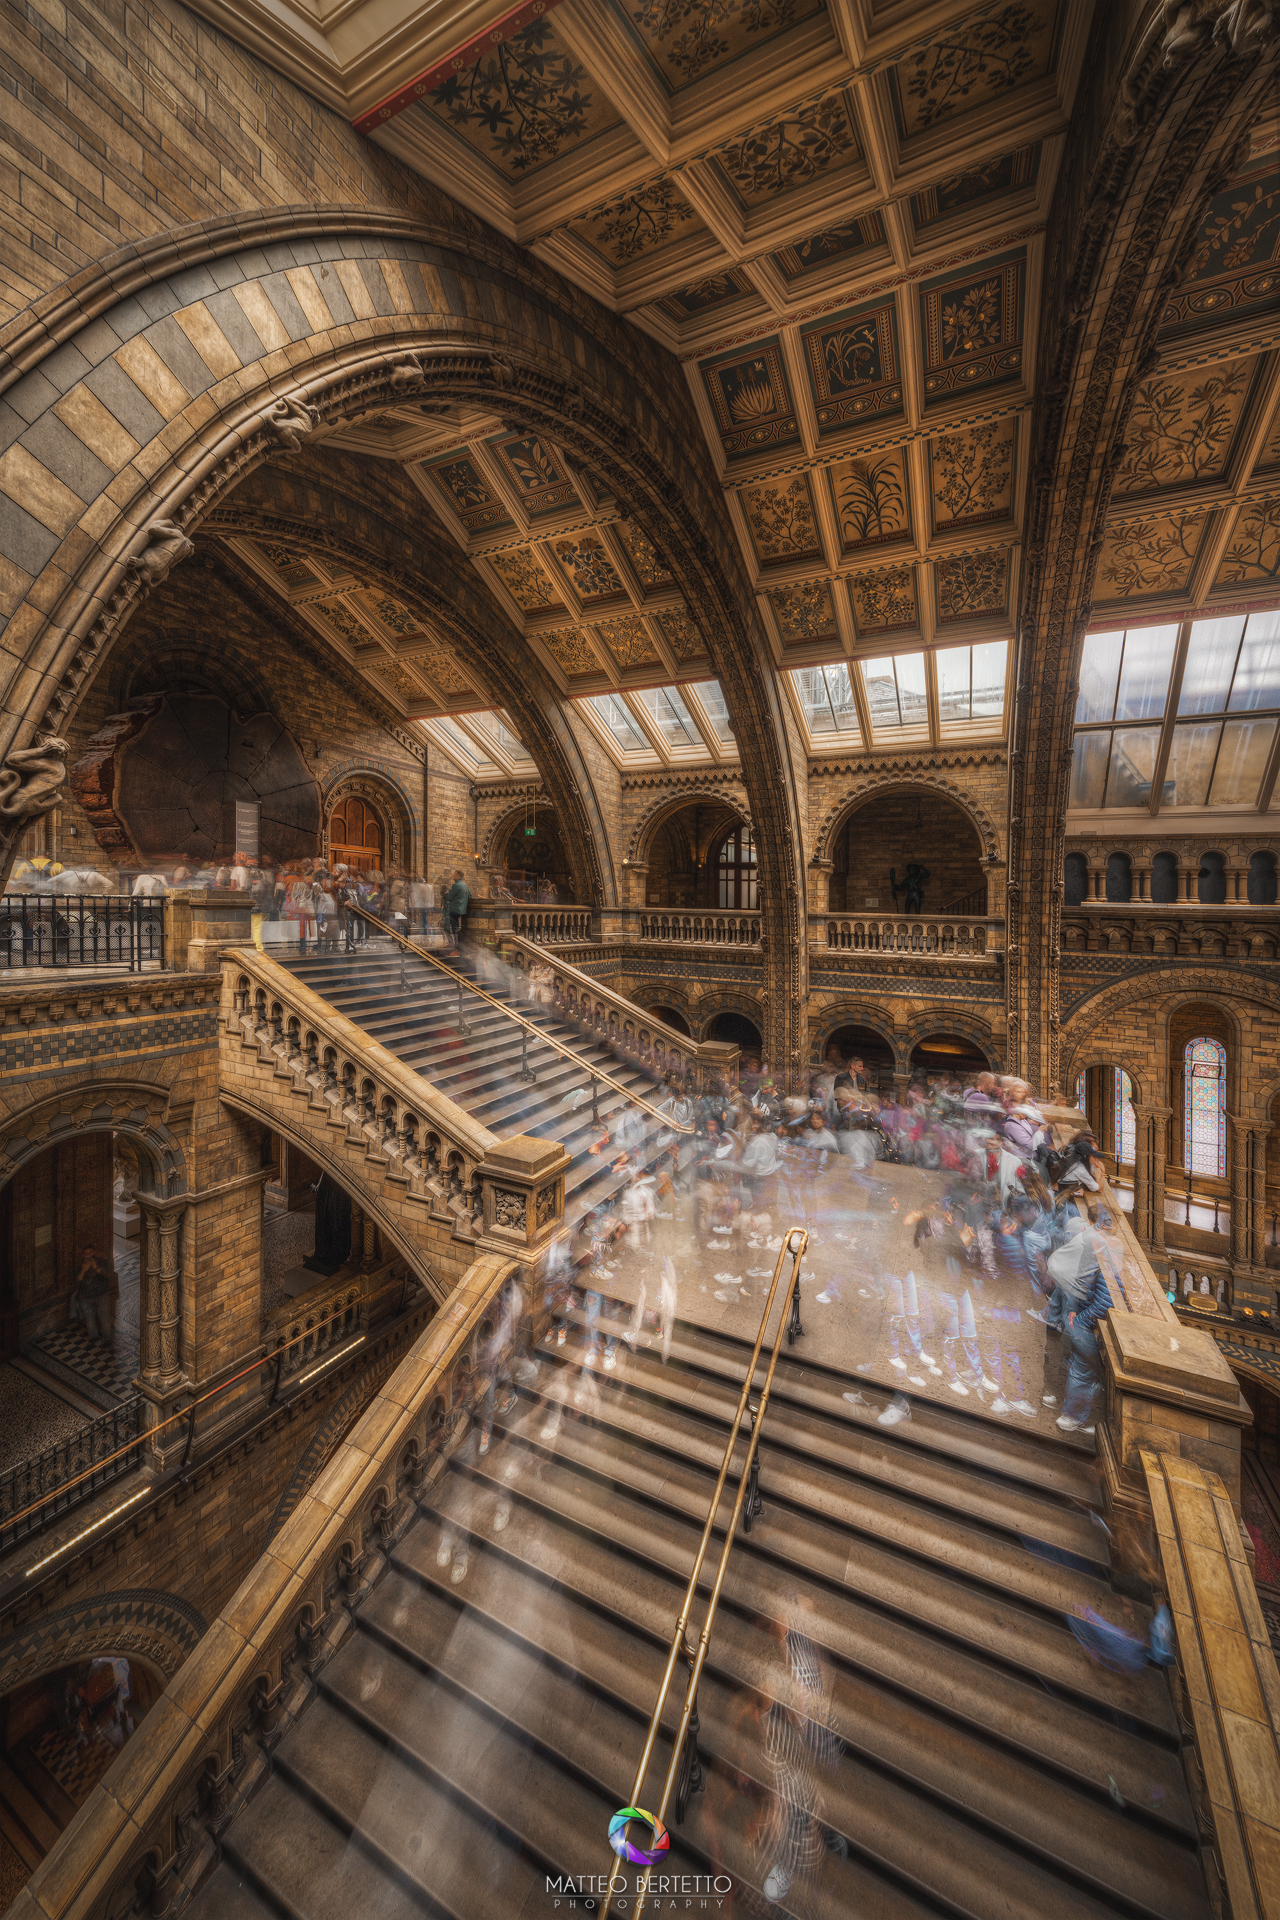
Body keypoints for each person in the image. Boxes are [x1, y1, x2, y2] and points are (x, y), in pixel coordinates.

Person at [74, 1245, 113, 1344]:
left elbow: (107, 1277)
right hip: (86, 1296)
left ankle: (107, 1338)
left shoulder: (102, 1262)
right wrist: (83, 1271)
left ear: (94, 1252)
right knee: (89, 1318)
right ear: (83, 1255)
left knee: (104, 1317)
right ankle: (93, 1337)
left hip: (101, 1294)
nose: (88, 1256)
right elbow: (78, 1281)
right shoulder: (80, 1265)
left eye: (90, 1253)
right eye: (86, 1254)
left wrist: (96, 1268)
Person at [444, 869, 471, 949]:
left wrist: (446, 894)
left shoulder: (456, 885)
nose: (453, 876)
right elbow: (470, 895)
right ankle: (457, 945)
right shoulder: (465, 885)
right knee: (457, 928)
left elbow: (449, 897)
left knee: (453, 928)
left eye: (454, 874)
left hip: (454, 909)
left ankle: (456, 946)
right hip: (462, 910)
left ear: (458, 876)